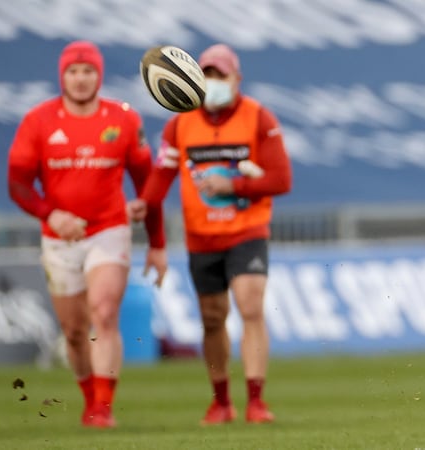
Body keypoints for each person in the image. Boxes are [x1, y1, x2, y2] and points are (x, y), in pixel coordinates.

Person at [7, 40, 167, 428]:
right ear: (63, 75)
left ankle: (103, 407)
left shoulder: (124, 120)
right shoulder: (39, 121)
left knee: (105, 311)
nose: (80, 79)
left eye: (88, 71)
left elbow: (147, 184)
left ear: (99, 75)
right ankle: (88, 398)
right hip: (60, 238)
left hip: (108, 229)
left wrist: (157, 243)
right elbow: (18, 184)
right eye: (73, 71)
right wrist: (51, 214)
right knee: (76, 331)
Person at [130, 43, 292, 425]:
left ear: (237, 78)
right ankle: (221, 401)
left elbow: (281, 178)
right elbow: (162, 173)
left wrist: (232, 187)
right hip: (202, 236)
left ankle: (256, 399)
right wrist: (144, 203)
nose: (214, 82)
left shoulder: (258, 117)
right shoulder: (181, 122)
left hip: (246, 230)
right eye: (208, 75)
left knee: (250, 305)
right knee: (212, 318)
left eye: (221, 75)